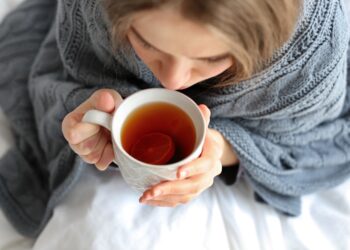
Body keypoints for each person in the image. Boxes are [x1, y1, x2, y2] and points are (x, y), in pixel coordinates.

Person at [0, 0, 349, 238]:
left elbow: (316, 135)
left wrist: (223, 149)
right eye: (147, 43)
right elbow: (72, 69)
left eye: (211, 57)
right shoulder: (93, 9)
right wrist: (81, 110)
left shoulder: (310, 51)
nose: (174, 81)